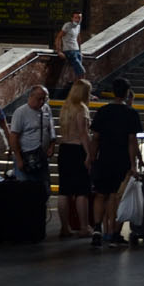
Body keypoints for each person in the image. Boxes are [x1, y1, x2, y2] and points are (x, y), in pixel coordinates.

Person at [89, 77, 141, 249]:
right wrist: (133, 164)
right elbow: (132, 141)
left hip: (104, 158)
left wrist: (91, 157)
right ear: (127, 93)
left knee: (100, 194)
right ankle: (112, 233)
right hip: (121, 159)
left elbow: (95, 138)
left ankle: (97, 229)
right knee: (114, 195)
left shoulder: (103, 111)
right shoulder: (131, 113)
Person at [56, 80, 93, 238]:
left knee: (64, 190)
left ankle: (65, 227)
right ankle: (84, 227)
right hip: (77, 149)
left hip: (64, 149)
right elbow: (83, 133)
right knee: (81, 191)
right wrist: (89, 154)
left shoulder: (66, 107)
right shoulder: (81, 108)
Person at [9, 83, 55, 187]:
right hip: (25, 155)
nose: (42, 102)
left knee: (43, 187)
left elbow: (51, 128)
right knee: (25, 187)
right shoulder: (20, 112)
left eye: (44, 99)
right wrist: (18, 158)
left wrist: (52, 145)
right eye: (39, 99)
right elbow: (14, 136)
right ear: (31, 96)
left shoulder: (46, 109)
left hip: (42, 156)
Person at [55, 10, 85, 79]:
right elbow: (58, 37)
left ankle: (77, 85)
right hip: (70, 51)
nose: (78, 19)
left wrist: (80, 51)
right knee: (82, 72)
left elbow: (78, 39)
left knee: (78, 73)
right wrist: (59, 51)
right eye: (76, 17)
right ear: (72, 18)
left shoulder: (78, 26)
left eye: (79, 18)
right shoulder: (68, 25)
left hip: (77, 51)